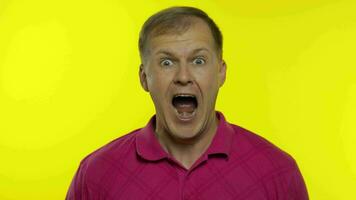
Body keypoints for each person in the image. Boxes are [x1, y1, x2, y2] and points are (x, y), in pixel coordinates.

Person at [66, 6, 309, 200]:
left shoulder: (277, 172)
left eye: (199, 61)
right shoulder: (96, 174)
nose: (183, 77)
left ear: (221, 72)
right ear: (144, 78)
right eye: (167, 63)